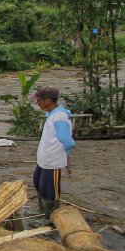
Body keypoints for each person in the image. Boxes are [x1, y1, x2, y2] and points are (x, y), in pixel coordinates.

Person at [32, 86, 75, 219]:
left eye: (39, 100)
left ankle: (51, 218)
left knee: (50, 189)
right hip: (44, 159)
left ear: (48, 101)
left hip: (53, 160)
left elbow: (67, 141)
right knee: (37, 182)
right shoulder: (52, 114)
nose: (37, 103)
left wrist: (67, 155)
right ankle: (42, 211)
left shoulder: (60, 117)